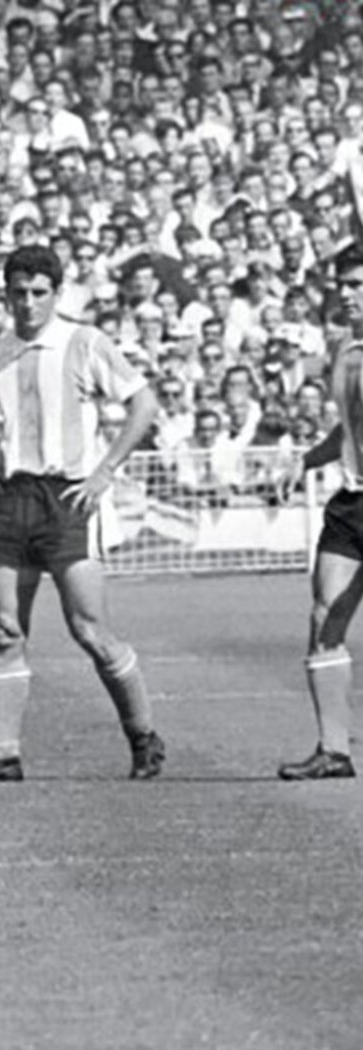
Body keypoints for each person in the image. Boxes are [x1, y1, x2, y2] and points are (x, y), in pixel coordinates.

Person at [0, 245, 165, 783]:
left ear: (55, 293)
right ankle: (2, 754)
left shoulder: (84, 342)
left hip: (69, 499)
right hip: (14, 500)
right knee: (5, 630)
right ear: (6, 294)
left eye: (38, 292)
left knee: (88, 628)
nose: (28, 303)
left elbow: (144, 404)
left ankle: (142, 734)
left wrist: (106, 470)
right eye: (18, 292)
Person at [276, 243, 363, 780]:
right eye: (345, 286)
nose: (348, 296)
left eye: (358, 286)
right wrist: (306, 460)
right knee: (323, 617)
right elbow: (347, 429)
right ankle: (335, 750)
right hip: (353, 503)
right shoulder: (346, 351)